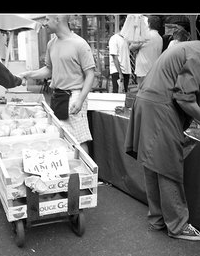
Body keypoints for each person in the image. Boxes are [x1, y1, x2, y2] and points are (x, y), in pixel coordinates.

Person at [124, 32, 200, 241]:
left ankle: (157, 218)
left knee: (153, 164)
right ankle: (177, 225)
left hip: (147, 103)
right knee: (168, 166)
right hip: (160, 107)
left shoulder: (192, 48)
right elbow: (184, 98)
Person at [19, 15, 95, 154]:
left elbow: (90, 74)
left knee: (79, 140)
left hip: (75, 95)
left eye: (47, 19)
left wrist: (80, 100)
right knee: (60, 137)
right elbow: (49, 70)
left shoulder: (80, 44)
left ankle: (86, 174)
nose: (44, 23)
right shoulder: (51, 44)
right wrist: (28, 74)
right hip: (57, 95)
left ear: (58, 19)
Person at [129, 15, 163, 87]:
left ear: (149, 24)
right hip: (154, 70)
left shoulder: (146, 36)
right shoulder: (160, 38)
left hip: (143, 71)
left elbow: (131, 47)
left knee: (142, 91)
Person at [109, 16, 131, 93]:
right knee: (117, 93)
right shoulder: (114, 38)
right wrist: (120, 73)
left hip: (126, 71)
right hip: (117, 71)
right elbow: (114, 57)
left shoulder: (126, 40)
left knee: (124, 93)